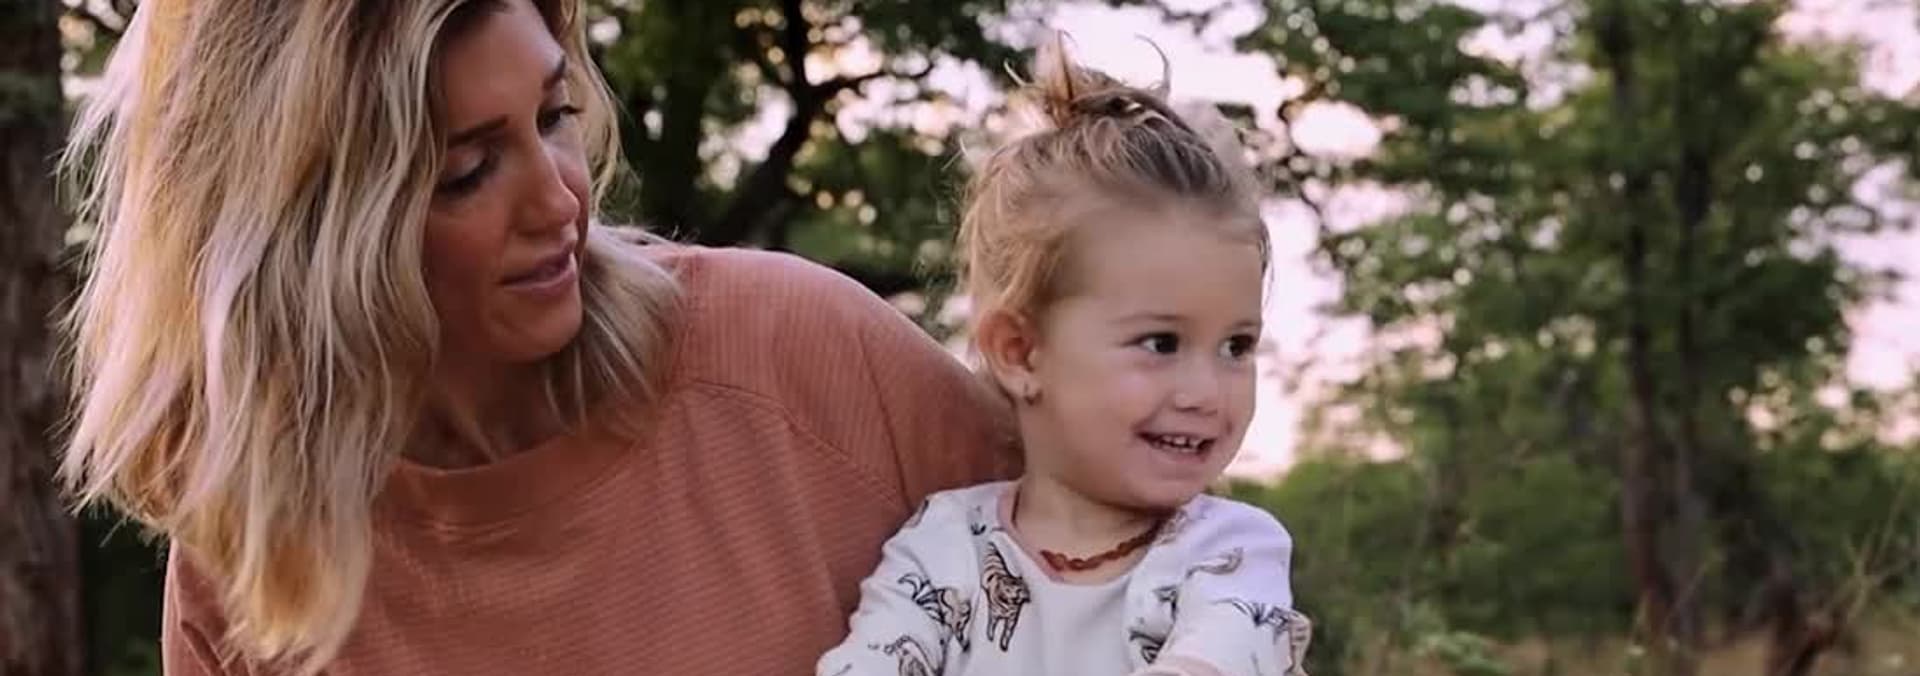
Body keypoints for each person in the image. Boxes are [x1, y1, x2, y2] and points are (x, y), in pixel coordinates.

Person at [57, 1, 1014, 673]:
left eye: (555, 116)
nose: (561, 201)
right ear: (312, 239)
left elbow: (1098, 587)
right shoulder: (260, 558)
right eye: (469, 171)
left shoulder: (800, 358)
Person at [815, 36, 1312, 676]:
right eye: (1161, 343)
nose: (1206, 393)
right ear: (1021, 353)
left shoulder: (1230, 555)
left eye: (1236, 346)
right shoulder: (942, 550)